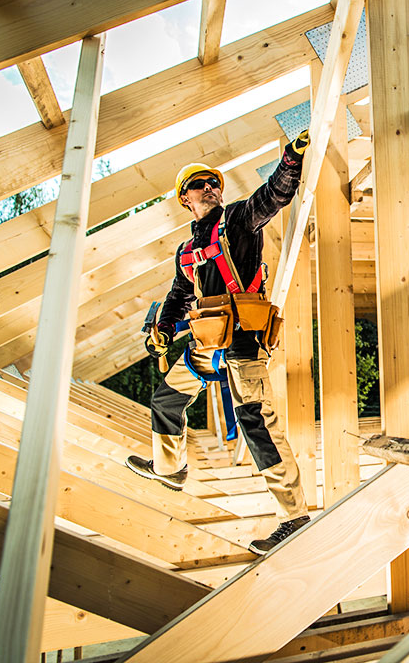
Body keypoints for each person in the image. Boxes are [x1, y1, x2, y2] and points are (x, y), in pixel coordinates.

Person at [125, 131, 312, 555]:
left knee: (256, 423)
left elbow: (274, 196)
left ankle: (294, 516)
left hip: (242, 341)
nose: (209, 189)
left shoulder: (240, 220)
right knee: (166, 400)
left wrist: (290, 159)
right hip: (207, 343)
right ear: (184, 199)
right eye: (199, 185)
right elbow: (178, 296)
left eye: (214, 184)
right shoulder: (187, 249)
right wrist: (163, 331)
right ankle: (170, 468)